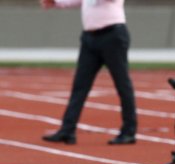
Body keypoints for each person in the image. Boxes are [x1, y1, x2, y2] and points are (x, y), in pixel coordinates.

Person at [40, 0, 137, 145]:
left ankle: (129, 131)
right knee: (80, 85)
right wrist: (56, 2)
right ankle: (67, 130)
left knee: (122, 84)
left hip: (112, 35)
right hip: (90, 38)